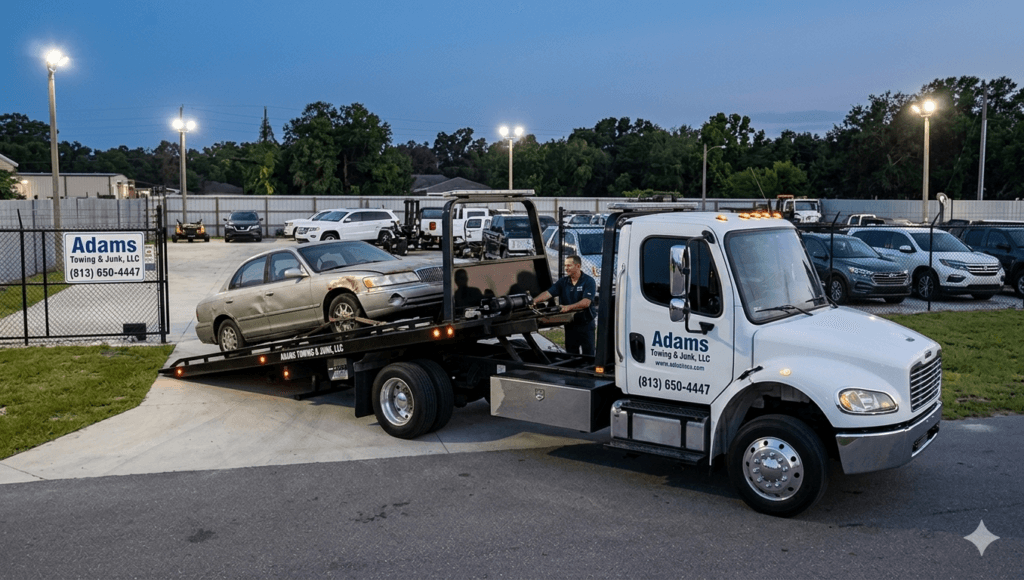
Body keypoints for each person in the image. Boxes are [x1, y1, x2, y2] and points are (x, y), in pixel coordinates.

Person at [532, 254, 597, 355]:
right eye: (565, 266)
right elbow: (548, 293)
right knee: (571, 355)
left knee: (588, 355)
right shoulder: (563, 282)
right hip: (570, 324)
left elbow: (586, 303)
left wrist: (567, 308)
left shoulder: (589, 281)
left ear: (578, 266)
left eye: (569, 266)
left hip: (586, 324)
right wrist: (534, 301)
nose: (566, 268)